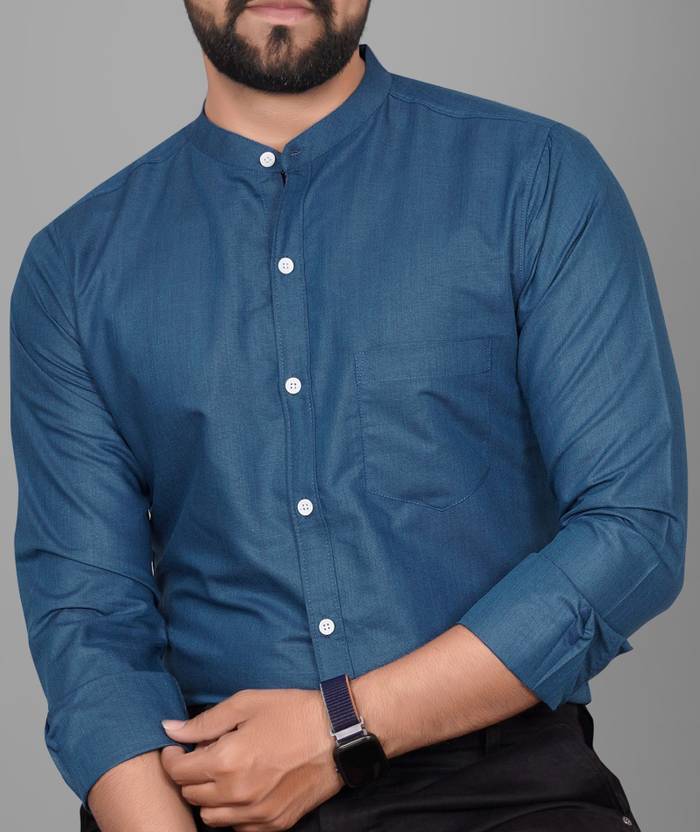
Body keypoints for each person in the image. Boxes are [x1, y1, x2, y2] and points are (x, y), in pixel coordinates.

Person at [9, 1, 687, 830]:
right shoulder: (73, 270)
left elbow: (633, 529)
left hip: (502, 789)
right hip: (204, 799)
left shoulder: (538, 179)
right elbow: (89, 622)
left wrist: (342, 728)